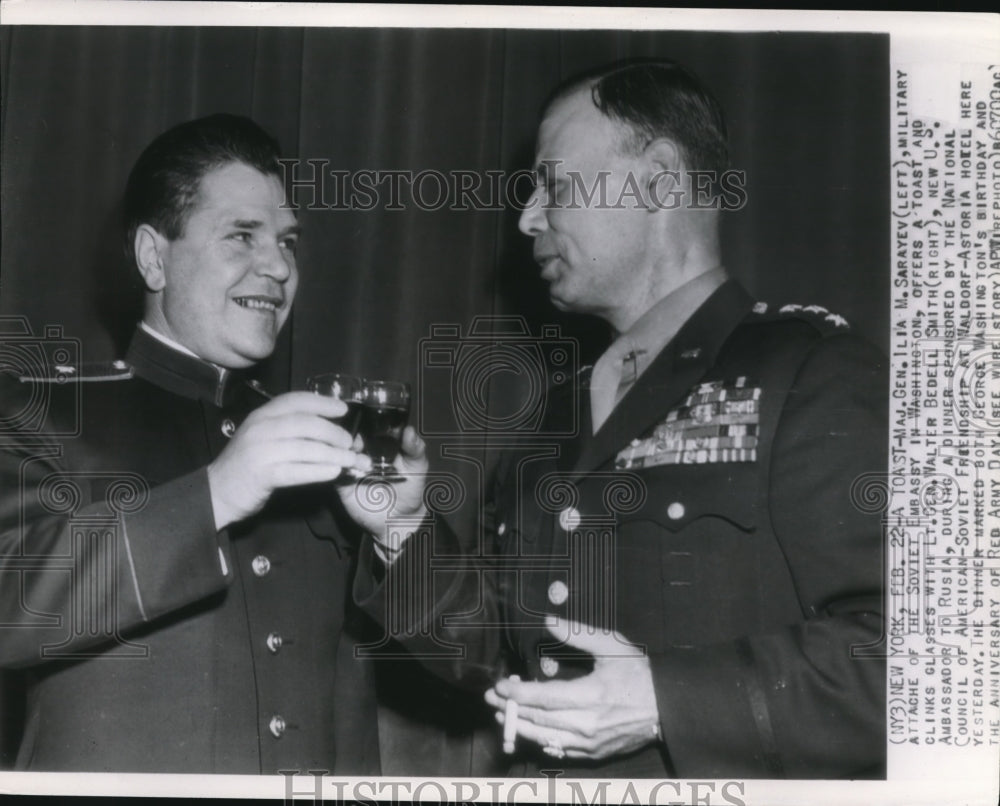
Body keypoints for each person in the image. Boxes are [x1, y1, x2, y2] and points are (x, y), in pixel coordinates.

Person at [342, 60, 887, 779]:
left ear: (659, 179)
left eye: (554, 185)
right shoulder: (558, 418)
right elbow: (506, 656)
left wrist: (666, 701)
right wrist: (400, 529)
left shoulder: (811, 374)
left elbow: (919, 665)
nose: (528, 217)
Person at [0, 114, 379, 773]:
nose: (279, 267)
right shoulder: (40, 410)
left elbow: (457, 653)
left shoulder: (323, 436)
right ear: (154, 256)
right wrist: (214, 495)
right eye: (242, 236)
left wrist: (407, 530)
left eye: (288, 242)